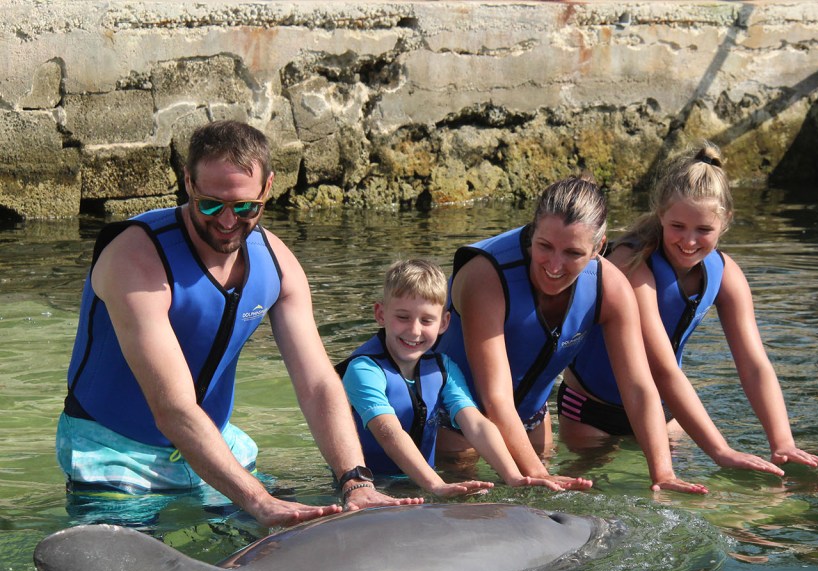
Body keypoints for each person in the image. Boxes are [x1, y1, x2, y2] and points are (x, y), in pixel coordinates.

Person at [58, 120, 422, 527]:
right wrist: (258, 500)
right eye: (211, 204)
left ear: (268, 188)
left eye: (245, 207)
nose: (228, 221)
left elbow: (318, 384)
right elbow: (173, 408)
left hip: (213, 443)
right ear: (188, 185)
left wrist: (356, 482)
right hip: (119, 455)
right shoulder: (137, 259)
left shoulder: (276, 264)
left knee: (306, 533)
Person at [559, 142, 818, 475]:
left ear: (725, 221)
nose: (689, 241)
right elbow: (662, 369)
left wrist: (782, 442)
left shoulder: (726, 274)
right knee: (588, 498)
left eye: (703, 230)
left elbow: (755, 365)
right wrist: (721, 451)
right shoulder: (631, 264)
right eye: (678, 227)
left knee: (682, 498)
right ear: (661, 215)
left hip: (664, 410)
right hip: (591, 411)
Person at [436, 175, 707, 495]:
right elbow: (495, 396)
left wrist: (663, 473)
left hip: (531, 423)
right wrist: (538, 474)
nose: (554, 265)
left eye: (573, 253)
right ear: (532, 232)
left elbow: (638, 386)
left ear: (598, 247)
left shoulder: (611, 286)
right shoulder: (488, 275)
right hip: (455, 429)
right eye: (545, 246)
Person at [336, 258, 563, 496]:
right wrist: (436, 485)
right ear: (380, 314)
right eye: (402, 317)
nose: (414, 330)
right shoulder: (363, 370)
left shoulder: (442, 368)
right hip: (369, 489)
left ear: (444, 322)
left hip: (424, 484)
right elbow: (388, 432)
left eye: (426, 320)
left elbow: (475, 424)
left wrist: (514, 476)